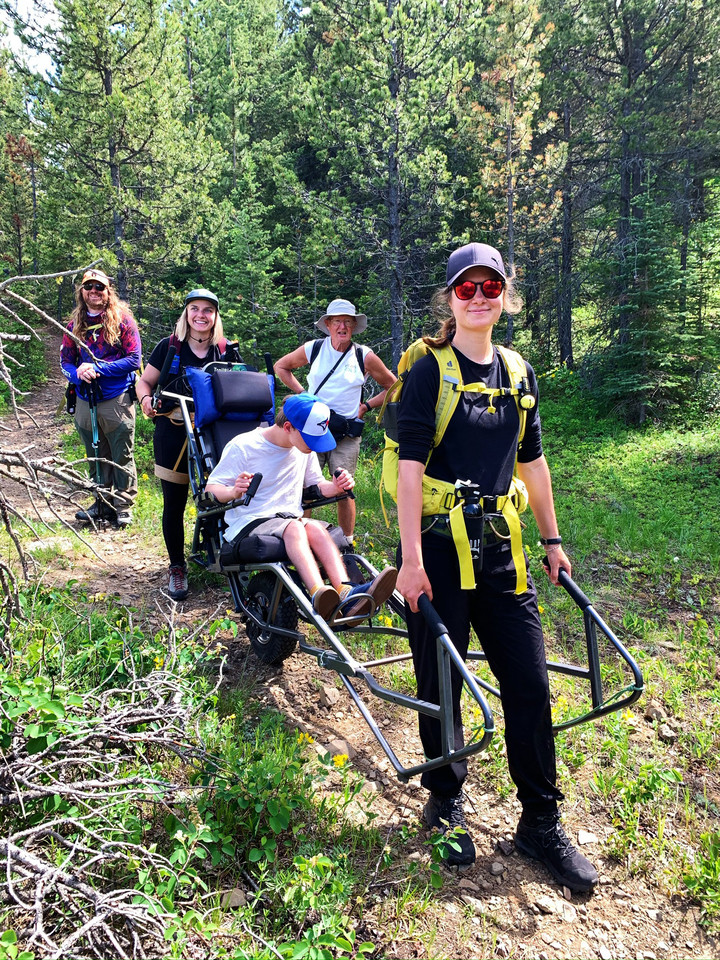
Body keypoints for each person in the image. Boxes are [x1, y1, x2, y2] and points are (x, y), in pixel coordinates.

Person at [395, 242, 598, 892]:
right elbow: (408, 470)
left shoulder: (518, 372)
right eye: (467, 288)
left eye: (490, 287)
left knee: (530, 684)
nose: (479, 297)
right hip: (436, 550)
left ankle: (540, 821)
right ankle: (444, 799)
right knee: (442, 682)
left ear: (506, 295)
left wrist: (553, 540)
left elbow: (532, 462)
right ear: (450, 298)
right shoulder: (429, 371)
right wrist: (408, 561)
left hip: (502, 553)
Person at [205, 393, 398, 620]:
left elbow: (317, 484)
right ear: (288, 427)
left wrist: (336, 487)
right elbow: (211, 489)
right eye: (310, 439)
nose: (315, 446)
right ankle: (318, 594)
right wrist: (233, 492)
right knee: (295, 528)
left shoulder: (303, 448)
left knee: (315, 527)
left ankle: (346, 593)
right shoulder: (244, 445)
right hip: (249, 521)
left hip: (287, 518)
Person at [136, 288, 236, 601]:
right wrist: (145, 400)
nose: (200, 316)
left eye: (207, 310)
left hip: (214, 433)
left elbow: (241, 386)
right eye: (195, 309)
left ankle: (221, 554)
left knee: (221, 495)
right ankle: (177, 567)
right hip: (174, 428)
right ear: (186, 313)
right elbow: (145, 381)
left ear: (215, 316)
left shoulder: (225, 350)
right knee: (174, 501)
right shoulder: (169, 346)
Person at [274, 298, 396, 537]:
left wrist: (367, 406)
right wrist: (303, 395)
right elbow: (281, 366)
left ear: (354, 326)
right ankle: (298, 538)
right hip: (311, 430)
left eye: (348, 322)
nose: (342, 327)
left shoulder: (363, 355)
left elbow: (392, 386)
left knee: (344, 489)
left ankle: (347, 542)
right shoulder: (314, 348)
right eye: (337, 321)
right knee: (303, 486)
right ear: (328, 324)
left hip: (345, 434)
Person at [61, 268, 141, 528]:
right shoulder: (74, 326)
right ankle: (101, 502)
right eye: (89, 287)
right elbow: (65, 362)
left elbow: (134, 359)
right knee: (94, 453)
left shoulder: (123, 322)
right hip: (85, 399)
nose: (94, 291)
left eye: (99, 287)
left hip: (116, 398)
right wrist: (78, 373)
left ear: (108, 291)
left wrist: (99, 368)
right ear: (82, 291)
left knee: (121, 453)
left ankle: (123, 505)